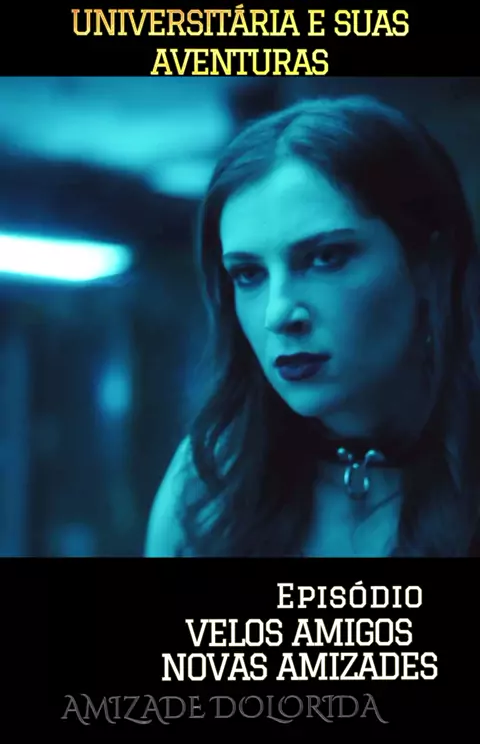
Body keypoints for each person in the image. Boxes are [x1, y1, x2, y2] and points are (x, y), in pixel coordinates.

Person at [145, 94, 480, 558]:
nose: (278, 314)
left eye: (326, 257)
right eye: (249, 274)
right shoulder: (210, 481)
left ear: (429, 263)